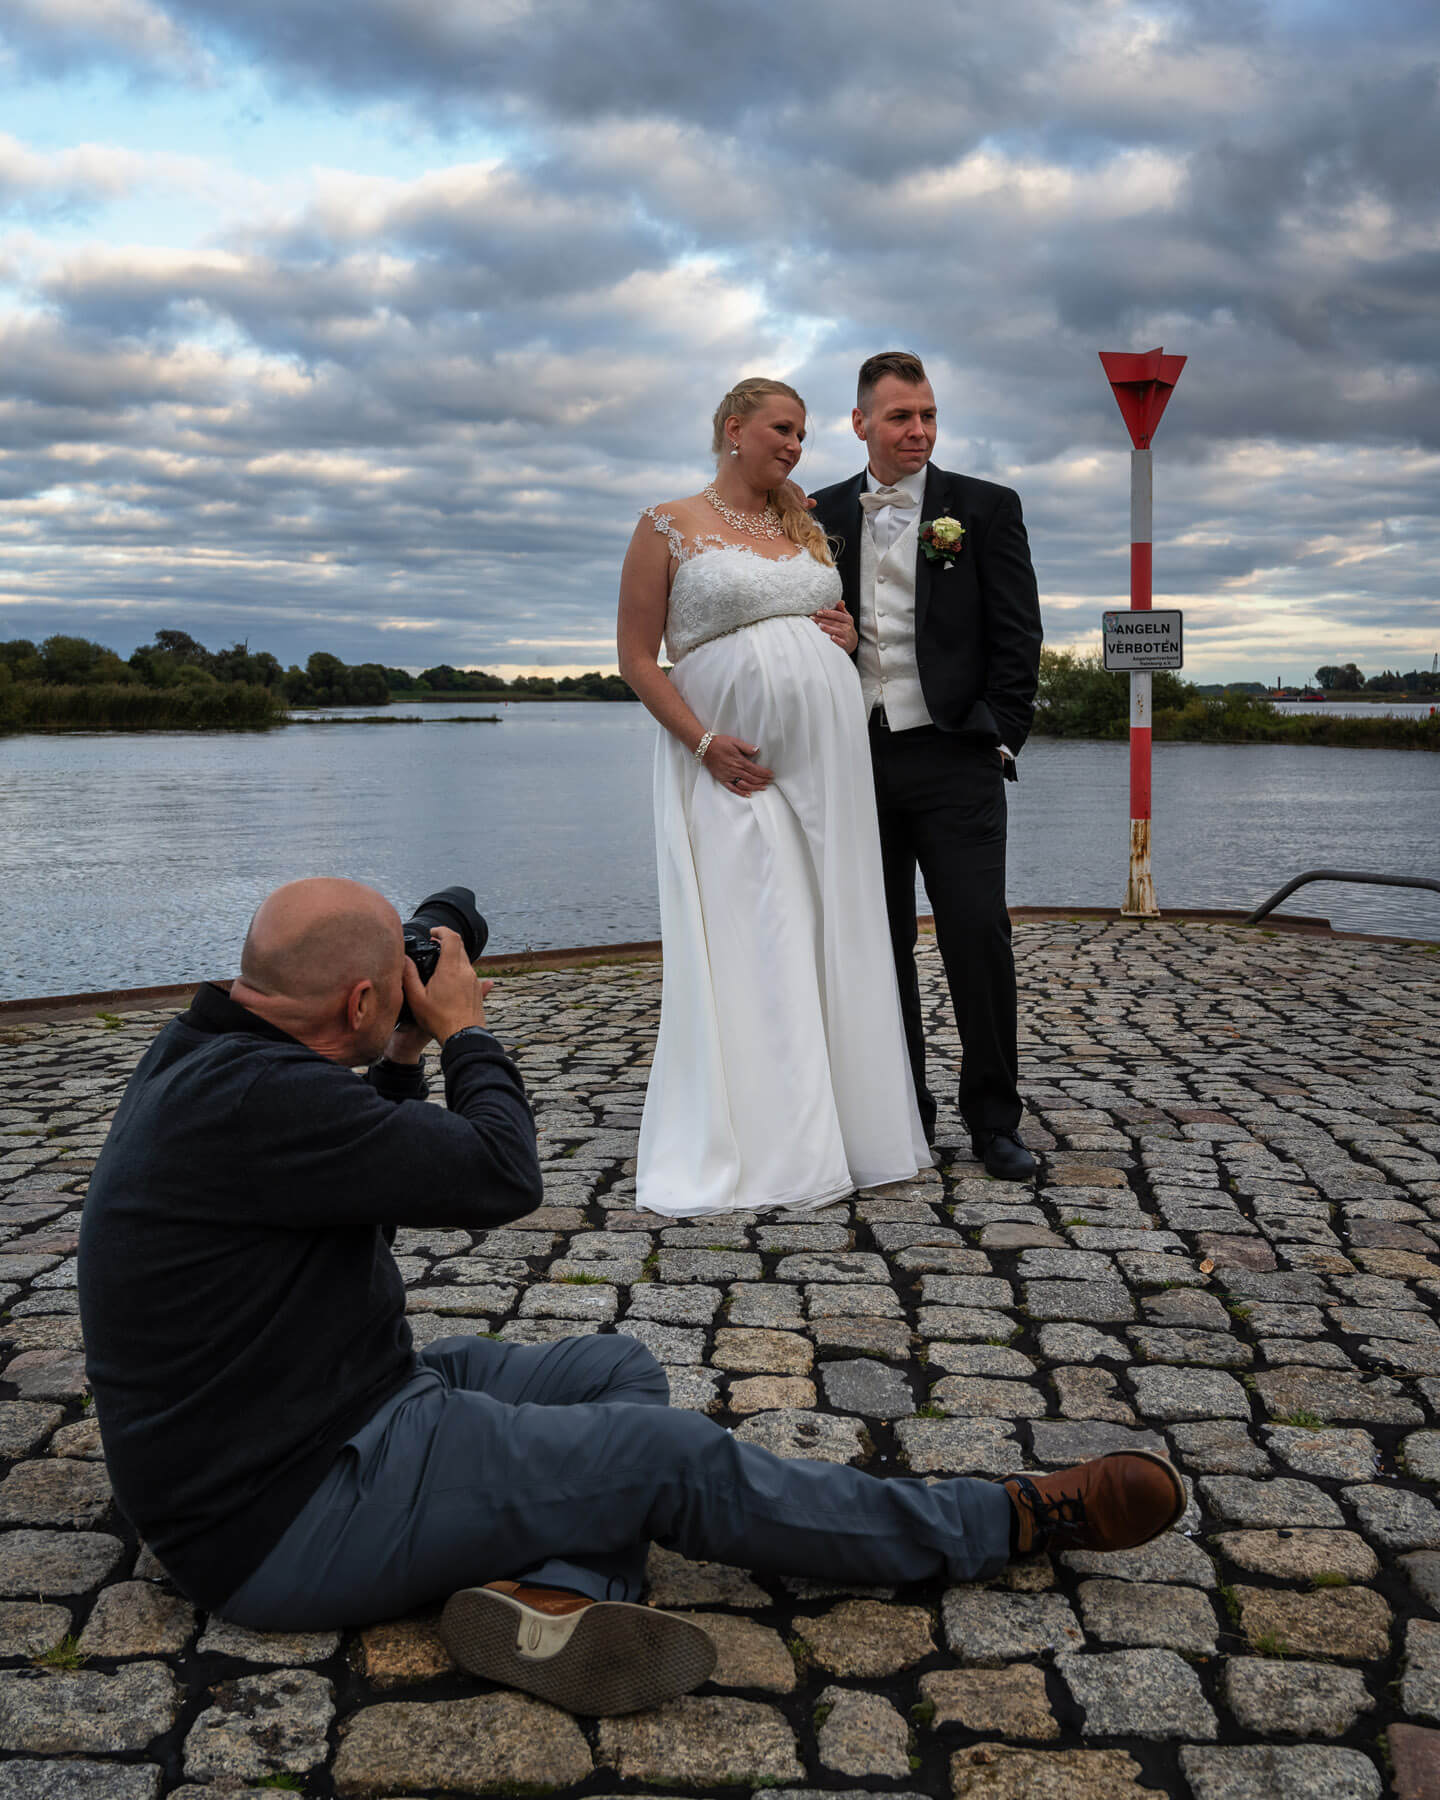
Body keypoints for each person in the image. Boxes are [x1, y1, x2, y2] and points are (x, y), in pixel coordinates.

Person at [79, 876, 1187, 1718]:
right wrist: (465, 1032)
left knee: (618, 1370)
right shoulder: (269, 1105)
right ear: (363, 995)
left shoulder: (207, 1053)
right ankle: (996, 1521)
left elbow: (351, 1161)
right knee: (664, 1457)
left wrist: (394, 1055)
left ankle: (556, 1601)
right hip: (287, 1510)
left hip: (325, 1406)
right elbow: (499, 1175)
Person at [617, 377, 930, 1217]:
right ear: (733, 429)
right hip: (729, 765)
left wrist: (848, 635)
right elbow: (639, 660)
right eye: (783, 430)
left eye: (803, 434)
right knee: (757, 928)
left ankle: (854, 1131)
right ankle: (769, 1140)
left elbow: (829, 622)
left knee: (835, 923)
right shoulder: (666, 524)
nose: (796, 446)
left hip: (828, 765)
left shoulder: (804, 524)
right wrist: (706, 742)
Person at [808, 352, 1044, 1181]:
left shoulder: (984, 508)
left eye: (930, 416)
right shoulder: (814, 512)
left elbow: (1019, 639)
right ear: (861, 423)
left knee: (978, 936)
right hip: (853, 759)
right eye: (902, 416)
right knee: (880, 944)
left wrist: (1000, 735)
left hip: (956, 761)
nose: (919, 431)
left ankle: (994, 1121)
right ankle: (903, 1112)